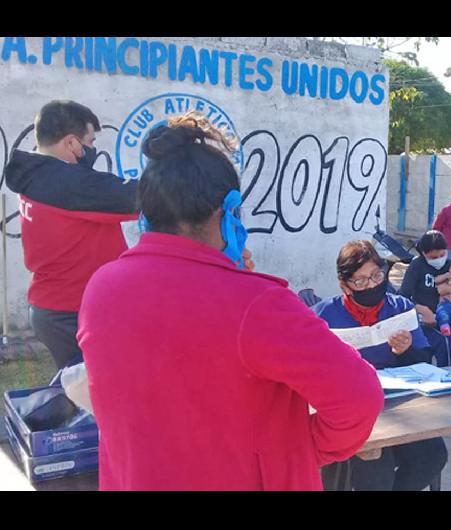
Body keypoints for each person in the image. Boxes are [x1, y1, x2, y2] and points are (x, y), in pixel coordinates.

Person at [77, 113, 383, 490]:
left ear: (147, 215)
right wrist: (299, 449)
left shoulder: (100, 289)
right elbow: (360, 397)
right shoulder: (257, 304)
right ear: (228, 214)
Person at [5, 100, 138, 370]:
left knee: (80, 390)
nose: (91, 149)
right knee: (99, 392)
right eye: (89, 141)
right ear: (71, 143)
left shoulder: (35, 174)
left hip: (52, 308)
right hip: (74, 311)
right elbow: (143, 196)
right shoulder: (65, 184)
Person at [314, 240, 448, 491]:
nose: (372, 285)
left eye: (376, 275)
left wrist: (406, 350)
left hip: (399, 408)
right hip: (350, 413)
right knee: (376, 465)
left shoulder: (400, 308)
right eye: (361, 281)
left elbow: (423, 362)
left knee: (433, 454)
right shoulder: (323, 316)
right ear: (344, 284)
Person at [400, 230, 451, 366]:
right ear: (424, 254)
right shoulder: (417, 266)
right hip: (427, 319)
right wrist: (421, 310)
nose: (439, 259)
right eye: (433, 257)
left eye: (442, 254)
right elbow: (403, 297)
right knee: (445, 345)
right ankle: (444, 379)